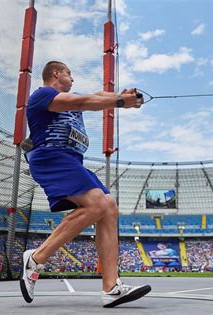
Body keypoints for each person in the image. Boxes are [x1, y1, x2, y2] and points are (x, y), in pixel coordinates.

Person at [19, 61, 151, 308]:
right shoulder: (44, 94)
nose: (73, 78)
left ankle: (111, 288)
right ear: (56, 73)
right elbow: (81, 103)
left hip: (71, 161)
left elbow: (98, 96)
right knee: (95, 204)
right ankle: (36, 259)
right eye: (70, 73)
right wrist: (120, 102)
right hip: (51, 157)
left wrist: (123, 95)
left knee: (109, 206)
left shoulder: (72, 98)